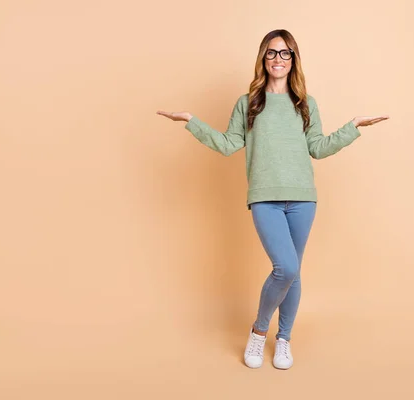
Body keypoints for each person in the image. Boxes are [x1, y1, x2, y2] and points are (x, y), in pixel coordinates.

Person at [156, 29, 389, 370]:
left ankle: (284, 340)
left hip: (302, 199)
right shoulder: (248, 102)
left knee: (294, 274)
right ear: (262, 59)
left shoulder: (305, 103)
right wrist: (191, 121)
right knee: (287, 267)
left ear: (293, 60)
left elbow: (318, 148)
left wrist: (352, 126)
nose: (278, 59)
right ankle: (259, 331)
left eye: (285, 53)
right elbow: (227, 145)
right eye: (271, 52)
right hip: (265, 198)